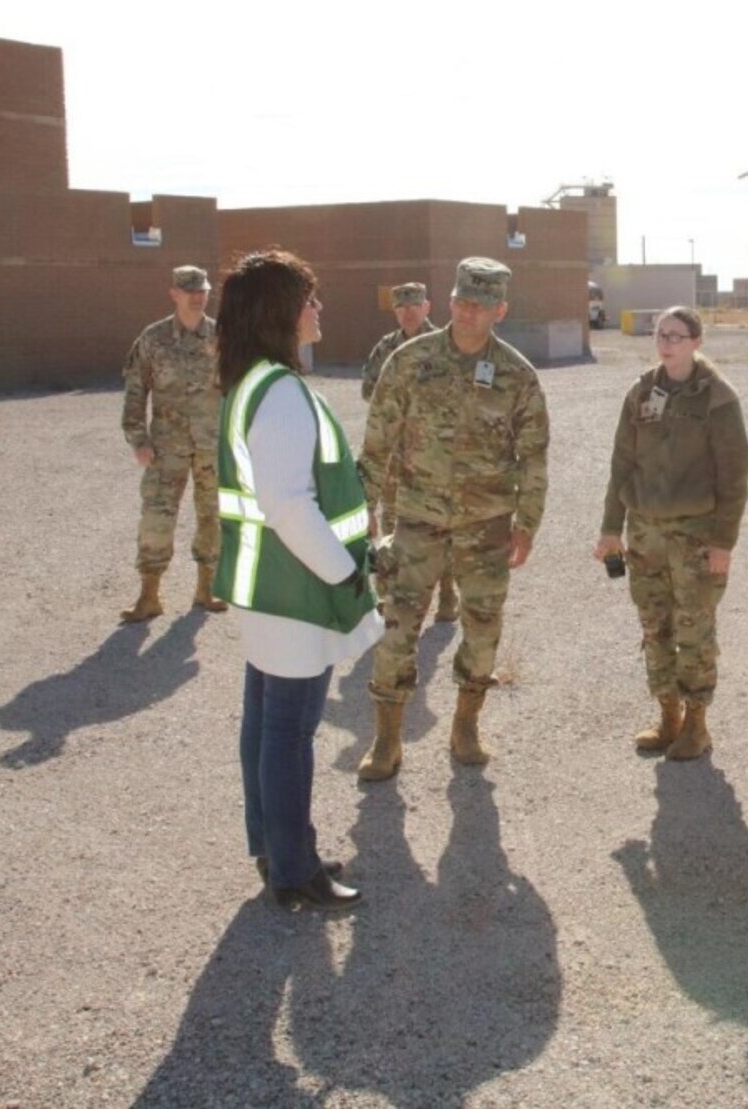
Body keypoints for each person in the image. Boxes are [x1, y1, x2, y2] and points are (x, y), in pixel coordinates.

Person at [212, 249, 379, 912]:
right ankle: (293, 868)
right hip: (295, 587)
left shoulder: (250, 382)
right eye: (309, 300)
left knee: (265, 719)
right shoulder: (279, 392)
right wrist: (345, 573)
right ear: (281, 312)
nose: (318, 311)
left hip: (268, 587)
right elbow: (288, 504)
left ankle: (273, 846)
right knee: (288, 727)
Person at [355, 257, 550, 780]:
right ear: (449, 301)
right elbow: (377, 445)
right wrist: (364, 511)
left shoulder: (517, 376)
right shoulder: (409, 360)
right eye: (462, 301)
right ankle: (387, 740)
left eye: (480, 305)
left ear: (500, 310)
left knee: (482, 633)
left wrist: (526, 524)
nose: (468, 312)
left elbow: (533, 456)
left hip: (486, 526)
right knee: (397, 628)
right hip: (417, 519)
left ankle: (466, 725)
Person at [595, 307, 748, 761]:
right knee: (654, 624)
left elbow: (734, 476)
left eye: (677, 336)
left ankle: (697, 725)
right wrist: (610, 528)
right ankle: (668, 717)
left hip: (695, 536)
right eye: (661, 335)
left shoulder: (717, 398)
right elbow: (621, 464)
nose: (667, 343)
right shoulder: (642, 392)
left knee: (694, 628)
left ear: (697, 342)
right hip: (645, 535)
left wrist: (724, 541)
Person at [120, 264, 227, 623]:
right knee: (157, 517)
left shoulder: (222, 337)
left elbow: (237, 390)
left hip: (212, 447)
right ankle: (149, 595)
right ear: (174, 294)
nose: (199, 297)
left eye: (203, 290)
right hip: (166, 448)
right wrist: (138, 439)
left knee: (212, 516)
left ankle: (206, 589)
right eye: (191, 290)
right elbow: (135, 392)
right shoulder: (153, 339)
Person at [360, 282, 458, 623]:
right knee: (391, 524)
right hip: (394, 457)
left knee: (439, 523)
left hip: (434, 454)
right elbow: (369, 392)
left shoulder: (447, 346)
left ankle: (447, 594)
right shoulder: (385, 349)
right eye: (402, 308)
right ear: (395, 311)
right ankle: (389, 595)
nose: (408, 312)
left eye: (414, 306)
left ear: (428, 306)